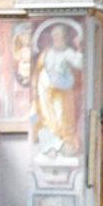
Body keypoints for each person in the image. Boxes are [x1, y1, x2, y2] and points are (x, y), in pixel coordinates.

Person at [35, 24, 84, 156]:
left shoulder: (67, 52)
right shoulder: (47, 52)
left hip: (62, 93)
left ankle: (65, 143)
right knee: (47, 117)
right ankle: (52, 145)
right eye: (54, 35)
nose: (56, 38)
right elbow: (39, 71)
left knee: (63, 117)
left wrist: (79, 48)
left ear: (64, 37)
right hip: (46, 91)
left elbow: (79, 63)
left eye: (58, 35)